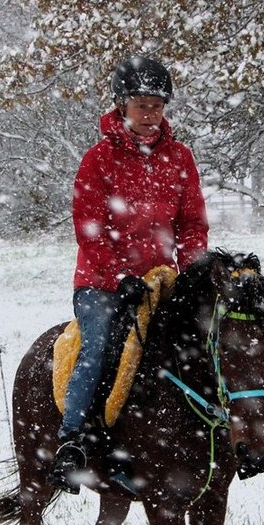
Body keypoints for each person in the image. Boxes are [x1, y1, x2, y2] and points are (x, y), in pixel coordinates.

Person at [48, 55, 209, 495]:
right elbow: (89, 227)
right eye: (141, 104)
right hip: (101, 283)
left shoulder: (180, 158)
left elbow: (192, 224)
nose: (150, 114)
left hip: (160, 281)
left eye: (157, 105)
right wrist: (119, 276)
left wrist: (194, 271)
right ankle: (74, 441)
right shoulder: (99, 159)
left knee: (195, 346)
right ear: (122, 105)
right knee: (101, 347)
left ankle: (208, 437)